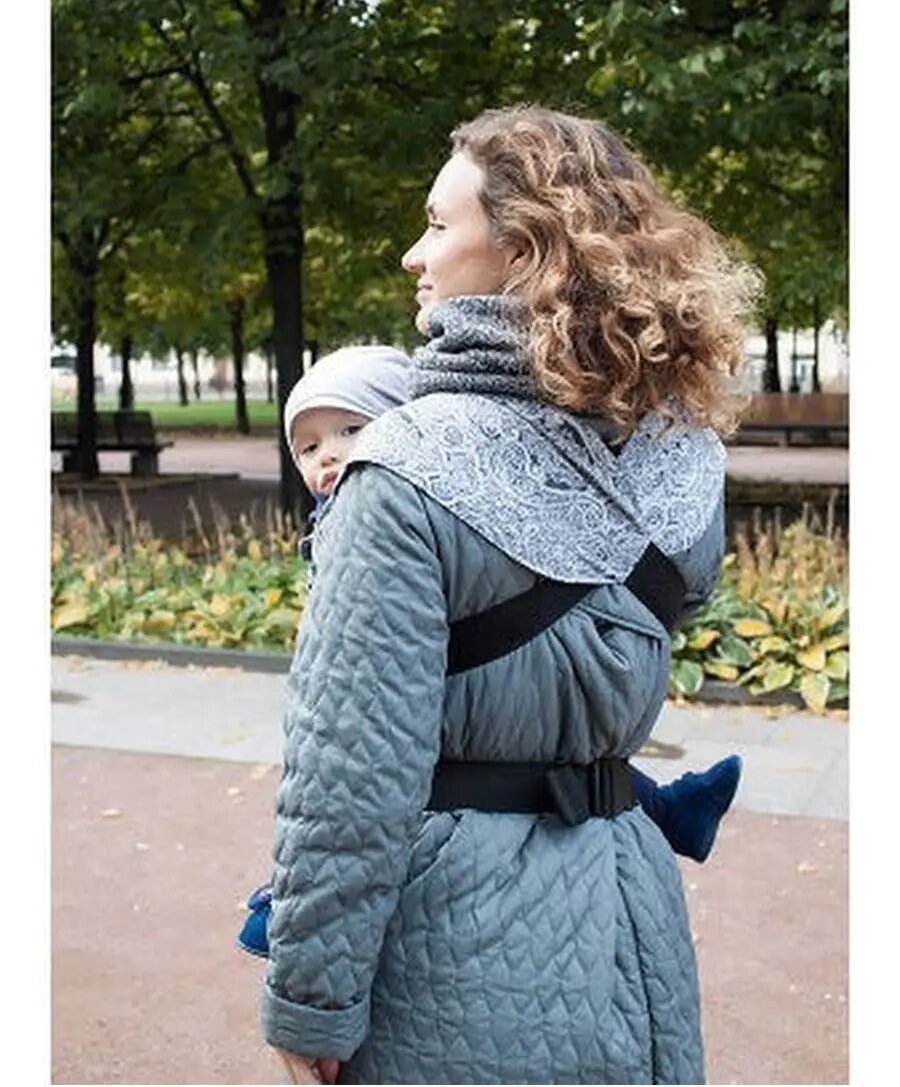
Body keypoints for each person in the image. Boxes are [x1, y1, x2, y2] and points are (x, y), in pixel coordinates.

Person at [261, 105, 760, 1085]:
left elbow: (351, 774)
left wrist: (312, 998)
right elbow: (659, 615)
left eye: (437, 225)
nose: (413, 254)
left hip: (455, 936)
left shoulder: (402, 471)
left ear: (525, 248)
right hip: (631, 910)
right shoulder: (682, 460)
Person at [238, 348, 743, 960]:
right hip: (447, 731)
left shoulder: (414, 500)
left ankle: (291, 903)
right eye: (308, 447)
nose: (328, 455)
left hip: (456, 730)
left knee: (373, 778)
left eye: (351, 429)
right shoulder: (342, 522)